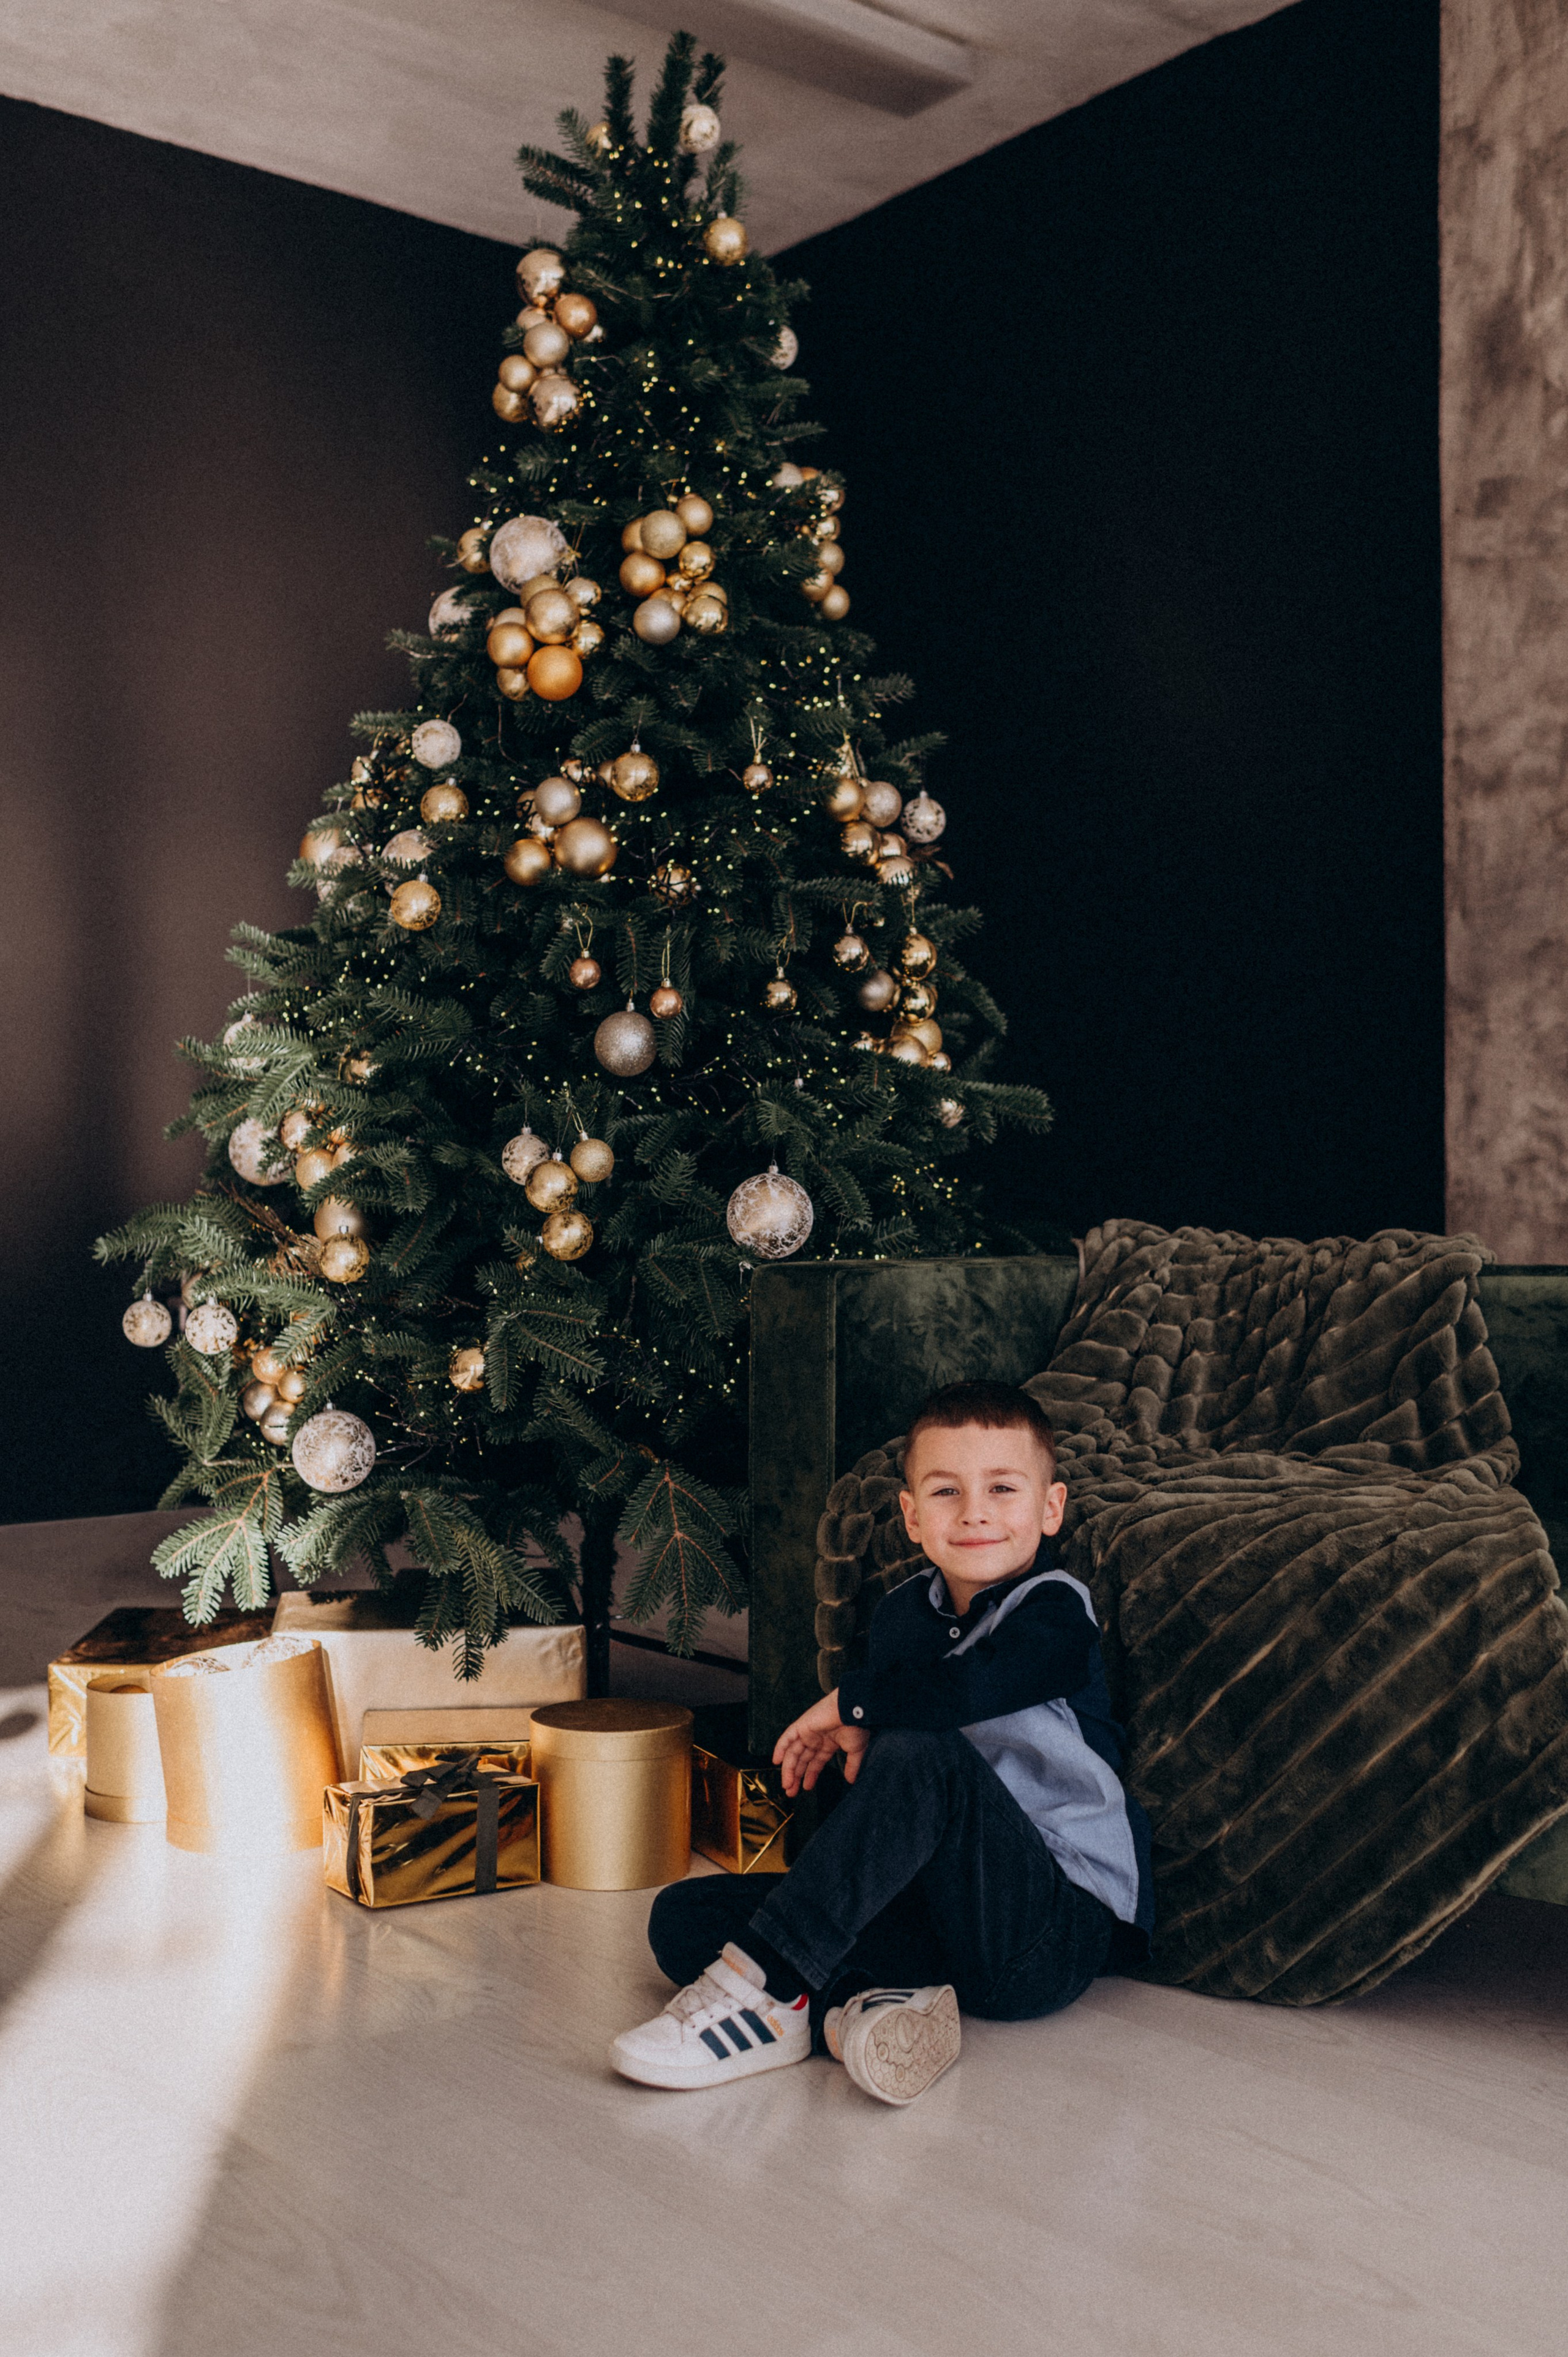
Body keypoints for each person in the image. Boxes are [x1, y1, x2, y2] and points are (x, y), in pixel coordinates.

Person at [609, 1378, 1153, 2105]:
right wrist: (857, 1728)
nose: (975, 1513)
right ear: (910, 1515)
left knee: (918, 1748)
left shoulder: (1054, 1610)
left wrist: (855, 1700)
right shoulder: (903, 1615)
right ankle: (856, 2010)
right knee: (682, 1919)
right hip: (939, 1920)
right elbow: (879, 1780)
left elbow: (970, 1691)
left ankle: (766, 1992)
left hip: (1046, 1926)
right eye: (945, 1492)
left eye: (1002, 1488)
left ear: (1049, 1507)